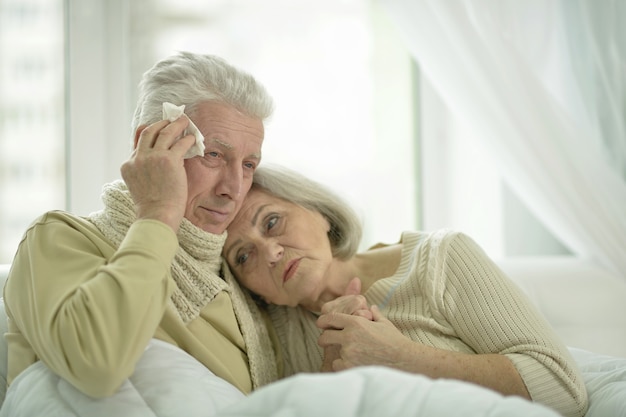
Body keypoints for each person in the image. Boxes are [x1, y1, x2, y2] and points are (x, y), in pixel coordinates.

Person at [3, 51, 280, 398]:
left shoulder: (241, 271)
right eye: (213, 155)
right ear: (150, 145)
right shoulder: (59, 239)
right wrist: (158, 210)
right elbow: (97, 364)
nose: (234, 189)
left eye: (249, 164)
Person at [222, 164, 589, 417]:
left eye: (271, 222)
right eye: (243, 256)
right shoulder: (270, 336)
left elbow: (563, 390)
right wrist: (332, 383)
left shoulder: (441, 258)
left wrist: (402, 357)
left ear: (320, 213)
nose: (269, 253)